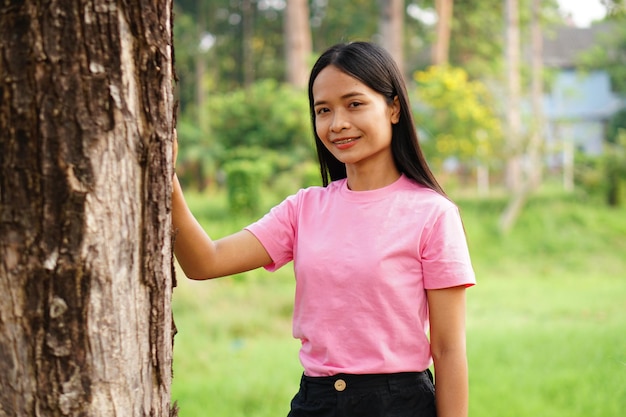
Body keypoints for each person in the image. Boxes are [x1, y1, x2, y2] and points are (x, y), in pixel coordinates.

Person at [172, 41, 475, 417]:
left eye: (354, 104)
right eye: (323, 110)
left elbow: (448, 350)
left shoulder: (433, 214)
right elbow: (205, 262)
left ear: (394, 108)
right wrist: (165, 179)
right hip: (317, 402)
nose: (337, 124)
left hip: (399, 404)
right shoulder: (304, 208)